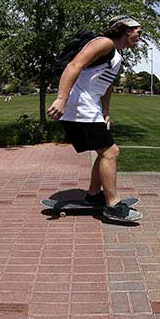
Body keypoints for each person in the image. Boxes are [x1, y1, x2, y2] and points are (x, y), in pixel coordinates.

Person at [46, 15, 143, 222]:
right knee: (111, 152)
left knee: (104, 152)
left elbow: (108, 85)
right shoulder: (104, 43)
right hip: (78, 106)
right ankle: (113, 205)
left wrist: (106, 111)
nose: (139, 37)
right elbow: (74, 66)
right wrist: (61, 99)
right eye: (138, 32)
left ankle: (93, 195)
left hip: (91, 108)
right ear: (126, 30)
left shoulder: (117, 53)